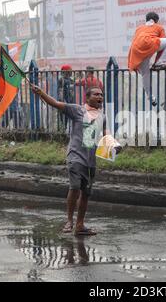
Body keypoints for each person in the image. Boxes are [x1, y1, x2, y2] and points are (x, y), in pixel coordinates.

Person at [30, 83, 108, 236]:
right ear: (87, 98)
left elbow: (106, 135)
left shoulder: (102, 116)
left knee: (86, 193)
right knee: (75, 188)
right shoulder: (77, 110)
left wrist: (113, 145)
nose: (99, 97)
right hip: (75, 156)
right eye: (96, 94)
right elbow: (55, 103)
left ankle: (80, 225)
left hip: (90, 160)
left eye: (101, 95)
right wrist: (41, 93)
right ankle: (69, 221)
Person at [128, 12, 166, 107]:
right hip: (148, 43)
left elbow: (137, 42)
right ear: (156, 20)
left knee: (145, 75)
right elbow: (161, 49)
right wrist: (158, 63)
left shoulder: (139, 28)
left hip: (136, 49)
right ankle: (160, 62)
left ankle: (150, 97)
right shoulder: (159, 27)